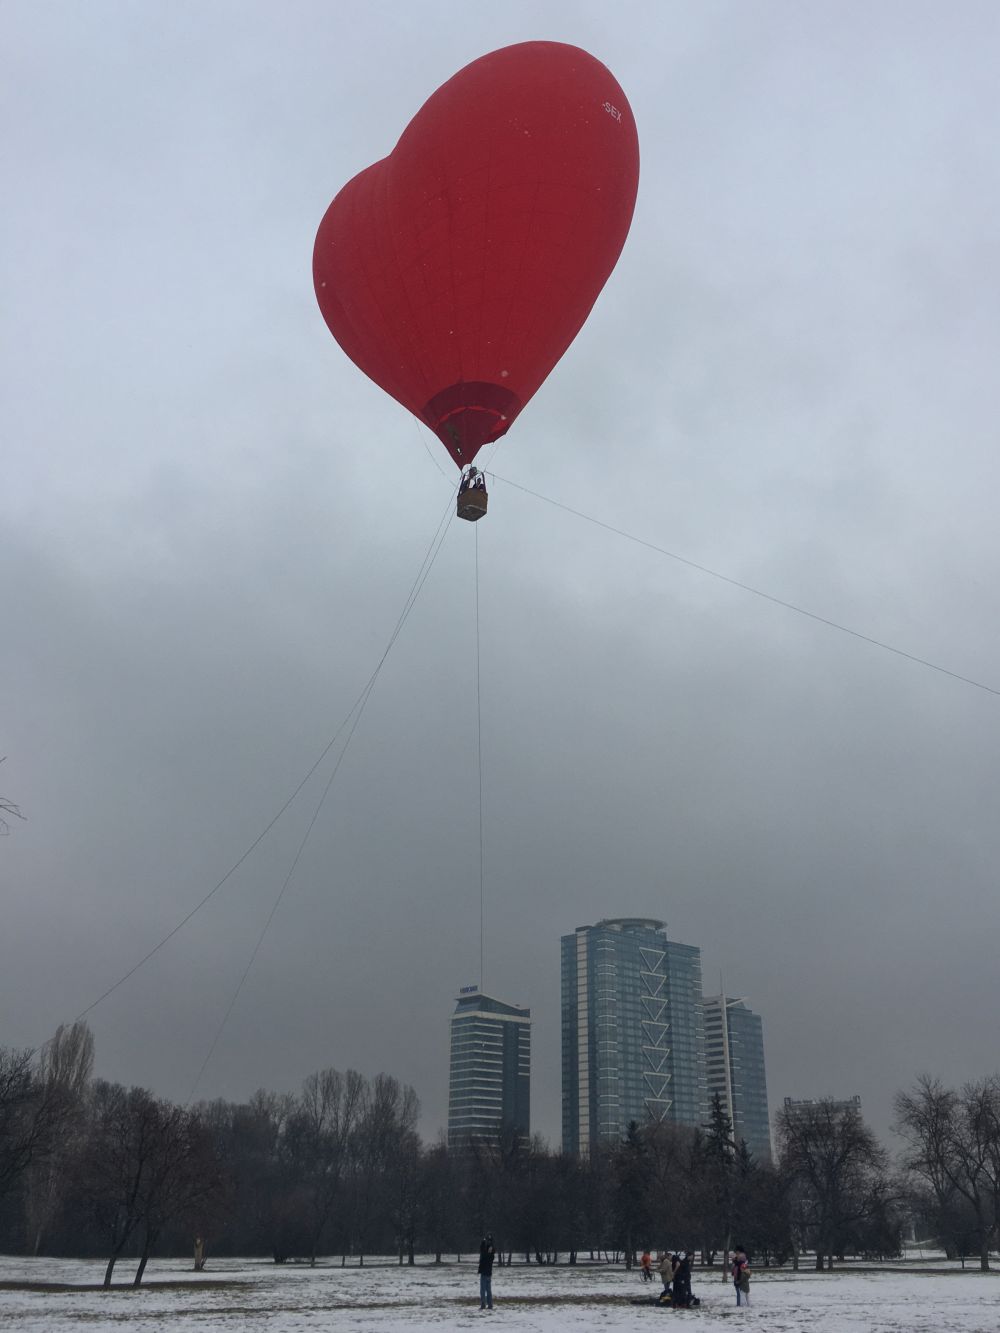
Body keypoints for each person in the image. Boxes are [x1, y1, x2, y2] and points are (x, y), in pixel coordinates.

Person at [478, 1233, 496, 1311]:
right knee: (488, 1290)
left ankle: (483, 1304)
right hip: (489, 1273)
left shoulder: (486, 1254)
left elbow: (483, 1252)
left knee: (483, 1290)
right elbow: (486, 1251)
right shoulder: (492, 1254)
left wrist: (483, 1243)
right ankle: (490, 1304)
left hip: (484, 1273)